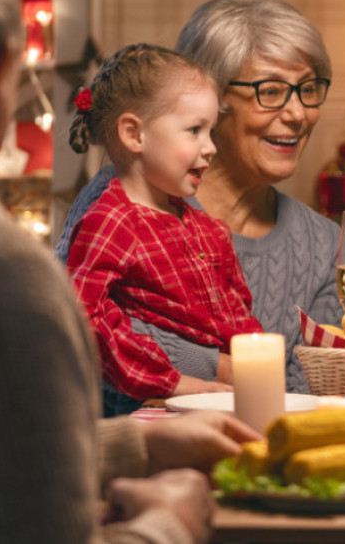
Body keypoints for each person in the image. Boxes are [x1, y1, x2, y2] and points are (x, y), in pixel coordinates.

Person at [0, 0, 261, 543]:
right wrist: (172, 522)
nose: (208, 147)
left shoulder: (197, 224)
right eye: (193, 129)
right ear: (2, 67)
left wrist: (136, 447)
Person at [58, 0, 342, 398]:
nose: (298, 113)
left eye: (309, 88)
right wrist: (221, 368)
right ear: (212, 99)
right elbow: (74, 326)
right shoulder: (120, 198)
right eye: (271, 91)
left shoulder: (325, 246)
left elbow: (307, 395)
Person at [66, 43, 264, 411]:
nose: (211, 147)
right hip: (152, 406)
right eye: (194, 130)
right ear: (134, 134)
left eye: (211, 131)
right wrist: (172, 382)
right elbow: (82, 316)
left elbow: (239, 316)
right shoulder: (111, 221)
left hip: (225, 400)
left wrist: (258, 367)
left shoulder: (206, 228)